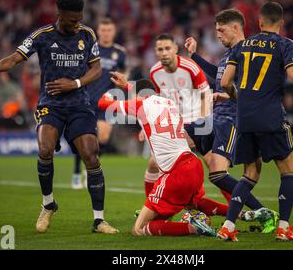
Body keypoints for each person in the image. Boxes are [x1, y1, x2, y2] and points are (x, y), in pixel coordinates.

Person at [0, 0, 118, 234]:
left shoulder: (87, 34)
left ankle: (99, 220)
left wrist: (74, 83)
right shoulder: (41, 36)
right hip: (50, 103)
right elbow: (15, 57)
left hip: (79, 103)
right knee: (45, 149)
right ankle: (48, 204)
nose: (76, 25)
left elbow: (96, 69)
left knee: (91, 155)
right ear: (60, 15)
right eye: (72, 20)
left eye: (79, 19)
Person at [219, 2, 293, 241]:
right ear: (281, 23)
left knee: (249, 174)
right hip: (270, 116)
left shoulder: (242, 45)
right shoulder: (284, 44)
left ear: (259, 22)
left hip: (245, 118)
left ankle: (228, 227)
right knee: (288, 171)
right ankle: (283, 228)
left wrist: (240, 99)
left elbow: (225, 83)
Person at [98, 78, 232, 237]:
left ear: (137, 95)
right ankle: (238, 213)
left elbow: (102, 104)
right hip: (193, 164)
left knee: (139, 229)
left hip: (176, 172)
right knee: (191, 201)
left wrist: (108, 90)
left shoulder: (140, 105)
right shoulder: (168, 103)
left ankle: (195, 228)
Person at [184, 9, 277, 233]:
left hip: (231, 118)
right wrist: (195, 57)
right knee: (183, 136)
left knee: (217, 174)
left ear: (236, 28)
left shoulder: (247, 53)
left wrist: (226, 94)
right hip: (215, 116)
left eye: (221, 30)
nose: (218, 35)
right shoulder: (229, 54)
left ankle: (264, 213)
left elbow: (253, 88)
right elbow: (219, 75)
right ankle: (189, 201)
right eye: (216, 30)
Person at [144, 33, 213, 199]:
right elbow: (160, 101)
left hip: (197, 120)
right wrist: (148, 126)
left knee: (214, 166)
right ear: (156, 51)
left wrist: (202, 122)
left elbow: (206, 95)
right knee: (154, 163)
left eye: (167, 48)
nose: (164, 52)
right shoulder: (154, 72)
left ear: (175, 49)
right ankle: (151, 203)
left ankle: (233, 211)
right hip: (175, 124)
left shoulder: (190, 67)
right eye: (160, 49)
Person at [71, 17, 127, 189]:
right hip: (87, 99)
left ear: (114, 31)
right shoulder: (90, 48)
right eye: (103, 30)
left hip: (106, 102)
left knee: (102, 137)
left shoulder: (120, 52)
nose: (106, 33)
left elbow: (123, 73)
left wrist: (120, 89)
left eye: (109, 30)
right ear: (98, 31)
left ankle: (91, 170)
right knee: (83, 137)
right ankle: (76, 171)